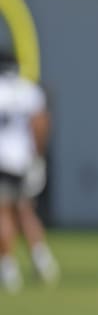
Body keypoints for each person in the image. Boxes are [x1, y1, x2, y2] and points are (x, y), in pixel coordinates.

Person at [0, 50, 59, 293]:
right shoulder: (28, 89)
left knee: (3, 213)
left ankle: (8, 266)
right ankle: (41, 259)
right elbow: (41, 124)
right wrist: (37, 156)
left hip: (2, 160)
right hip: (24, 159)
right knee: (25, 209)